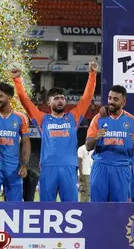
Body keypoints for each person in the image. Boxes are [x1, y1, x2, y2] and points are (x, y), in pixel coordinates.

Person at [11, 62, 97, 202]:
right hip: (48, 167)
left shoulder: (73, 117)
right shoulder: (42, 119)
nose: (60, 100)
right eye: (56, 98)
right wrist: (17, 80)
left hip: (69, 167)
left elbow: (86, 98)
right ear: (48, 103)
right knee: (46, 208)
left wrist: (92, 74)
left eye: (62, 98)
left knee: (70, 208)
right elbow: (26, 102)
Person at [85, 85, 134, 202]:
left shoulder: (132, 121)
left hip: (122, 168)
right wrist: (96, 137)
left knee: (119, 208)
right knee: (97, 206)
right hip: (100, 166)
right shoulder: (98, 118)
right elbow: (88, 146)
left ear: (123, 102)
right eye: (109, 98)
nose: (111, 102)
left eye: (115, 99)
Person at [0, 83, 31, 202]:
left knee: (14, 207)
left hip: (13, 168)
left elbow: (26, 142)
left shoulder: (21, 117)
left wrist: (24, 165)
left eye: (0, 96)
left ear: (9, 97)